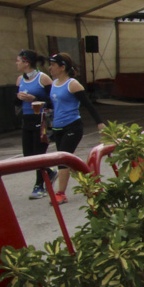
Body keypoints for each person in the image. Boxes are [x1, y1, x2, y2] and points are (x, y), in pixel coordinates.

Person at [42, 53, 105, 204]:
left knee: (63, 161)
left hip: (72, 126)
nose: (50, 68)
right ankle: (90, 182)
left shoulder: (73, 84)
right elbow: (53, 105)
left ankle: (60, 193)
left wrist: (99, 123)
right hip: (58, 128)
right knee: (68, 162)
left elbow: (89, 105)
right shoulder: (54, 84)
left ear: (62, 67)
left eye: (53, 65)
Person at [15, 49, 55, 199]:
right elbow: (15, 103)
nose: (16, 64)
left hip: (42, 119)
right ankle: (50, 172)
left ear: (26, 62)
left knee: (39, 153)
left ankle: (39, 185)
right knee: (28, 156)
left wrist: (34, 98)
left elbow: (52, 101)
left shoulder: (43, 78)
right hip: (27, 119)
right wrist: (19, 98)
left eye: (18, 61)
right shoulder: (20, 80)